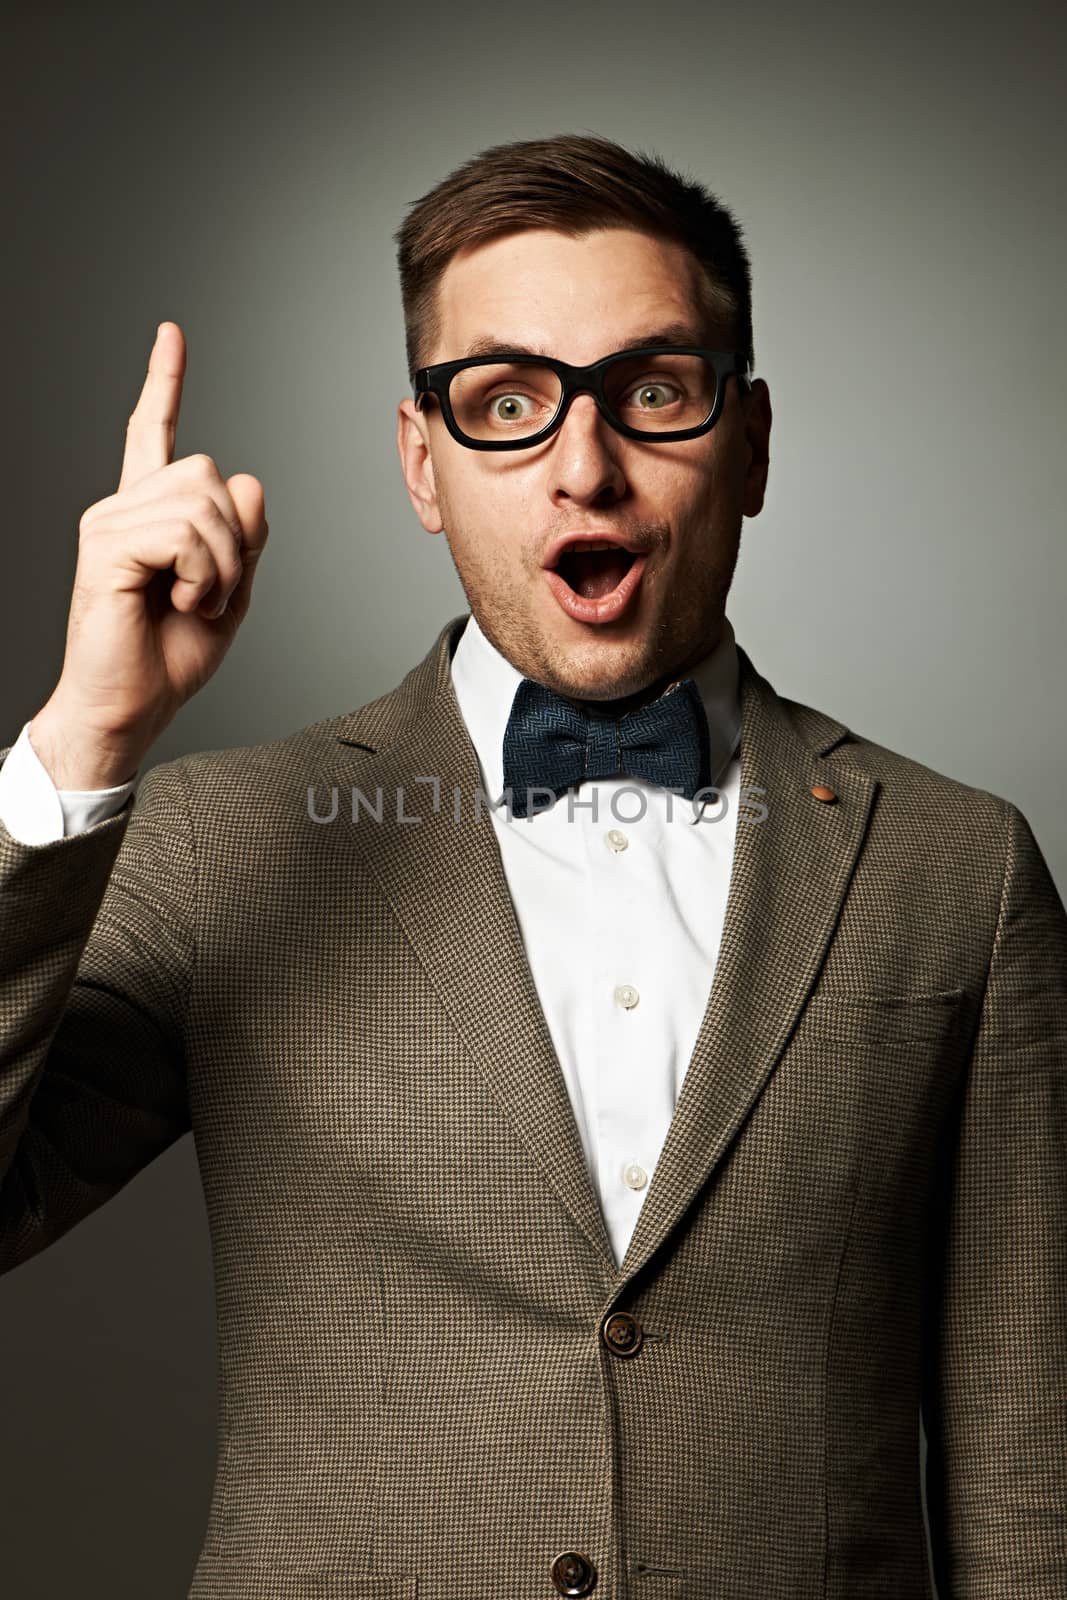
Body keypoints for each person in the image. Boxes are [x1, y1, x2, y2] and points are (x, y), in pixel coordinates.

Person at [1, 132, 1064, 1600]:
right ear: (423, 465)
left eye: (652, 392)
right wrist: (83, 736)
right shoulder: (216, 839)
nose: (586, 468)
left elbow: (1030, 1462)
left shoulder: (964, 871)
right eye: (508, 402)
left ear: (750, 442)